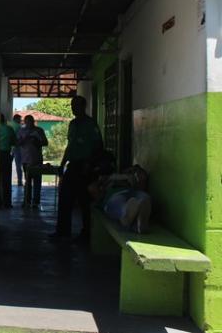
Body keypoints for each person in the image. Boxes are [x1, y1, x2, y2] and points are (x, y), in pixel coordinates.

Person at [51, 95, 103, 240]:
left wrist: (90, 164)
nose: (73, 108)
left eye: (76, 105)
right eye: (72, 105)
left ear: (83, 106)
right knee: (64, 198)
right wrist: (62, 164)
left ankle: (86, 234)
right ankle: (62, 232)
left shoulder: (90, 124)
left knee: (84, 201)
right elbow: (70, 146)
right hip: (72, 165)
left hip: (85, 166)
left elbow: (98, 147)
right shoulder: (72, 124)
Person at [90, 165, 152, 233]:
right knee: (119, 203)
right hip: (114, 195)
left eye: (132, 171)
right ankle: (128, 217)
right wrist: (105, 181)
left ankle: (139, 222)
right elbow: (93, 190)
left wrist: (133, 176)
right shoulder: (108, 182)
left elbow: (142, 181)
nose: (131, 172)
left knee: (144, 197)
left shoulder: (129, 178)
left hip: (133, 192)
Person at [18, 115, 48, 208]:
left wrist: (36, 140)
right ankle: (27, 200)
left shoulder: (39, 130)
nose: (29, 123)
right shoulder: (21, 131)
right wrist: (25, 138)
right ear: (25, 122)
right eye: (27, 122)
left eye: (31, 121)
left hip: (37, 159)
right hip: (26, 159)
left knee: (37, 181)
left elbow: (45, 143)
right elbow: (17, 143)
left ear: (33, 121)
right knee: (27, 181)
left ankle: (36, 201)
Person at [0, 114, 16, 208]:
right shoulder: (9, 129)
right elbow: (14, 142)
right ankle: (7, 203)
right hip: (6, 155)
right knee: (6, 180)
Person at [11, 114, 23, 186]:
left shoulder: (10, 125)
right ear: (16, 119)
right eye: (19, 119)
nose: (20, 121)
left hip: (9, 147)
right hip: (17, 147)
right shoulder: (19, 127)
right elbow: (20, 138)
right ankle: (19, 181)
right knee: (18, 165)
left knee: (8, 165)